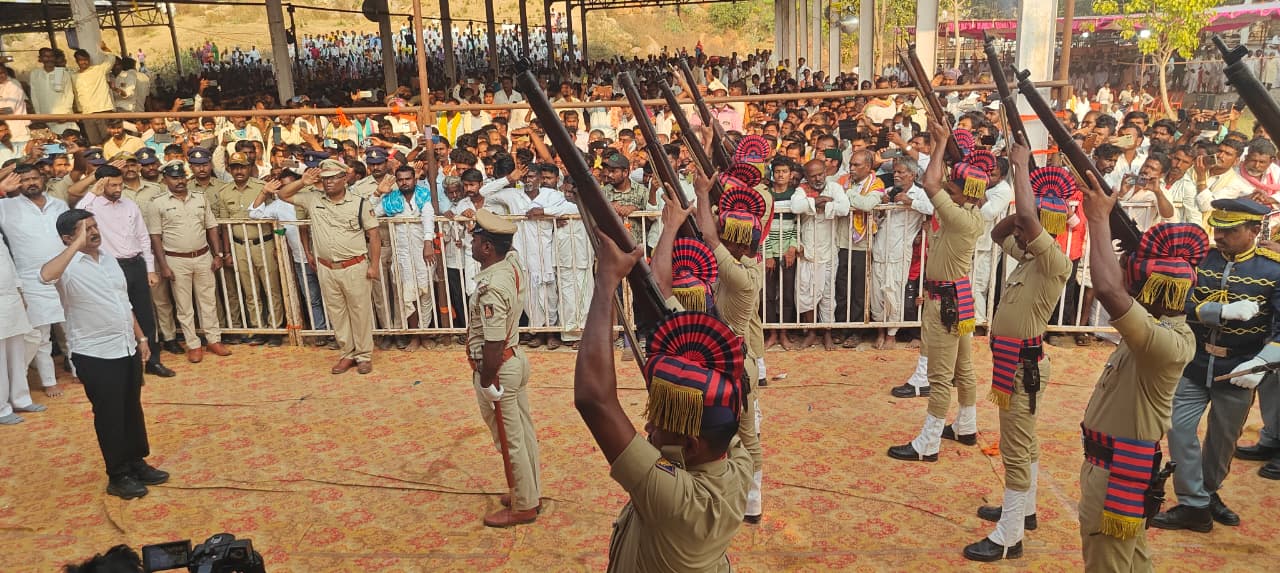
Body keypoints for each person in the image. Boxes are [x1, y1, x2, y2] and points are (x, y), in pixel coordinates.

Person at [574, 225, 750, 571]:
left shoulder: (680, 499)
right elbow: (727, 390)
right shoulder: (735, 461)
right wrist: (686, 348)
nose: (649, 426)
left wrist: (606, 283)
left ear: (692, 445)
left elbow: (594, 399)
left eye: (663, 422)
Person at [1075, 169, 1207, 570]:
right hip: (1116, 464)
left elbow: (1110, 290)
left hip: (1118, 472)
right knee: (1132, 561)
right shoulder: (1159, 329)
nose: (1130, 279)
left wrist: (1098, 221)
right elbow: (1117, 282)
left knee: (1110, 563)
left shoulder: (1162, 341)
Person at [963, 146, 1073, 561]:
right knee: (1024, 444)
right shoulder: (1031, 257)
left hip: (1023, 367)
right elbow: (999, 233)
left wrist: (1023, 167)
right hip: (1016, 363)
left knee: (1015, 448)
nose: (1025, 233)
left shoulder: (1053, 262)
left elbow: (1025, 219)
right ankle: (1024, 511)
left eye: (1034, 227)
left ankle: (1009, 534)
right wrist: (1024, 217)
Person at [1152, 198, 1280, 533]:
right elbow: (1178, 299)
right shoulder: (1201, 259)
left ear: (1255, 230)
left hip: (1240, 369)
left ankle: (1207, 494)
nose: (1220, 236)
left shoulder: (1273, 269)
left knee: (1223, 441)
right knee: (1179, 429)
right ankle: (1193, 501)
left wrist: (1262, 362)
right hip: (1194, 363)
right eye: (1217, 228)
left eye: (1230, 230)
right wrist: (1216, 312)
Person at [40, 209, 168, 499]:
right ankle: (118, 474)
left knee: (131, 408)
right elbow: (45, 275)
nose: (95, 232)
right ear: (67, 238)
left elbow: (123, 302)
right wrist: (76, 245)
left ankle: (137, 461)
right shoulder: (67, 267)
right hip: (95, 353)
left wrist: (141, 338)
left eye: (95, 226)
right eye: (86, 229)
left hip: (125, 345)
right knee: (110, 414)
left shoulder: (109, 259)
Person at [889, 122, 985, 462]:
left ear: (964, 194)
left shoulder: (959, 218)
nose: (947, 193)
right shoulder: (970, 215)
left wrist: (942, 142)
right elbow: (938, 182)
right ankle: (966, 426)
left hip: (945, 301)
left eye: (952, 191)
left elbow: (930, 182)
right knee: (963, 368)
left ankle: (928, 442)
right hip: (953, 296)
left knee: (940, 377)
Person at [465, 208, 541, 527]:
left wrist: (486, 379)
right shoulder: (510, 262)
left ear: (487, 248)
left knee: (510, 440)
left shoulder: (492, 286)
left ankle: (523, 504)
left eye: (476, 239)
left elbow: (493, 342)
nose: (471, 244)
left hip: (499, 366)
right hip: (514, 358)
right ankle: (528, 491)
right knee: (522, 433)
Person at [275, 160, 379, 374]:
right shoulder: (313, 199)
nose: (329, 182)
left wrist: (374, 266)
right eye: (325, 178)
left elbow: (374, 235)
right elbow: (282, 194)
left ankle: (363, 355)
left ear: (344, 178)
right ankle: (347, 353)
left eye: (333, 177)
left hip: (354, 265)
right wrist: (302, 182)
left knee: (360, 312)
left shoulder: (359, 203)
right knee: (337, 313)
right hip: (326, 267)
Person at [77, 164, 175, 378]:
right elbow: (75, 216)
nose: (118, 188)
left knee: (145, 315)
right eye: (113, 185)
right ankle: (127, 364)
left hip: (136, 264)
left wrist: (150, 269)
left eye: (120, 184)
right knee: (118, 314)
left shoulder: (129, 205)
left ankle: (153, 362)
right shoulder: (92, 207)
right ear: (102, 184)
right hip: (110, 266)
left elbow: (142, 236)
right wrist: (93, 192)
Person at [145, 160, 231, 363]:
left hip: (203, 256)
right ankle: (193, 344)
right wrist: (163, 265)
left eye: (182, 177)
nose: (180, 181)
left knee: (208, 301)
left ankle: (213, 339)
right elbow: (155, 236)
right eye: (174, 178)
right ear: (165, 180)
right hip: (176, 259)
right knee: (184, 306)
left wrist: (217, 254)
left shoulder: (200, 198)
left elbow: (211, 227)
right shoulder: (157, 203)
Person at [0, 164, 69, 398]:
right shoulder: (6, 206)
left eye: (35, 178)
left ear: (43, 178)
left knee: (73, 326)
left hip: (67, 272)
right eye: (25, 179)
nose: (31, 183)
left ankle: (81, 370)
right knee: (41, 335)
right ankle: (49, 381)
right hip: (31, 278)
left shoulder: (59, 204)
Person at [213, 152, 284, 347]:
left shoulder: (263, 188)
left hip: (265, 242)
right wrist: (227, 252)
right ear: (229, 169)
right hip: (239, 245)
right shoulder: (225, 192)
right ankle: (259, 328)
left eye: (242, 167)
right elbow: (225, 226)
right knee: (250, 290)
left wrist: (279, 245)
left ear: (249, 167)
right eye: (235, 167)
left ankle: (276, 328)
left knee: (272, 288)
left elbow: (277, 217)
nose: (239, 171)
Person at [372, 164, 437, 350]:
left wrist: (427, 242)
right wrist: (377, 193)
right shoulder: (391, 199)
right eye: (400, 179)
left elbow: (428, 217)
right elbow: (368, 215)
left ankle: (425, 334)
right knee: (409, 296)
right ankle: (415, 335)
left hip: (424, 253)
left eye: (408, 179)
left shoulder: (423, 195)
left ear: (414, 179)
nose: (404, 182)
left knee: (426, 293)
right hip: (402, 255)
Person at [870, 157, 933, 349]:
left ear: (913, 175)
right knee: (876, 294)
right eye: (895, 172)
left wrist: (910, 201)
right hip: (880, 249)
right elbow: (875, 217)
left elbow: (933, 209)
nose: (896, 175)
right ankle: (880, 331)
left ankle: (891, 334)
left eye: (901, 172)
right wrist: (882, 208)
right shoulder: (888, 192)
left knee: (895, 293)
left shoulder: (920, 194)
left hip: (900, 252)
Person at [0, 230, 38, 425]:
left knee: (17, 350)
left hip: (11, 299)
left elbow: (9, 266)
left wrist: (20, 292)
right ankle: (1, 408)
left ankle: (21, 398)